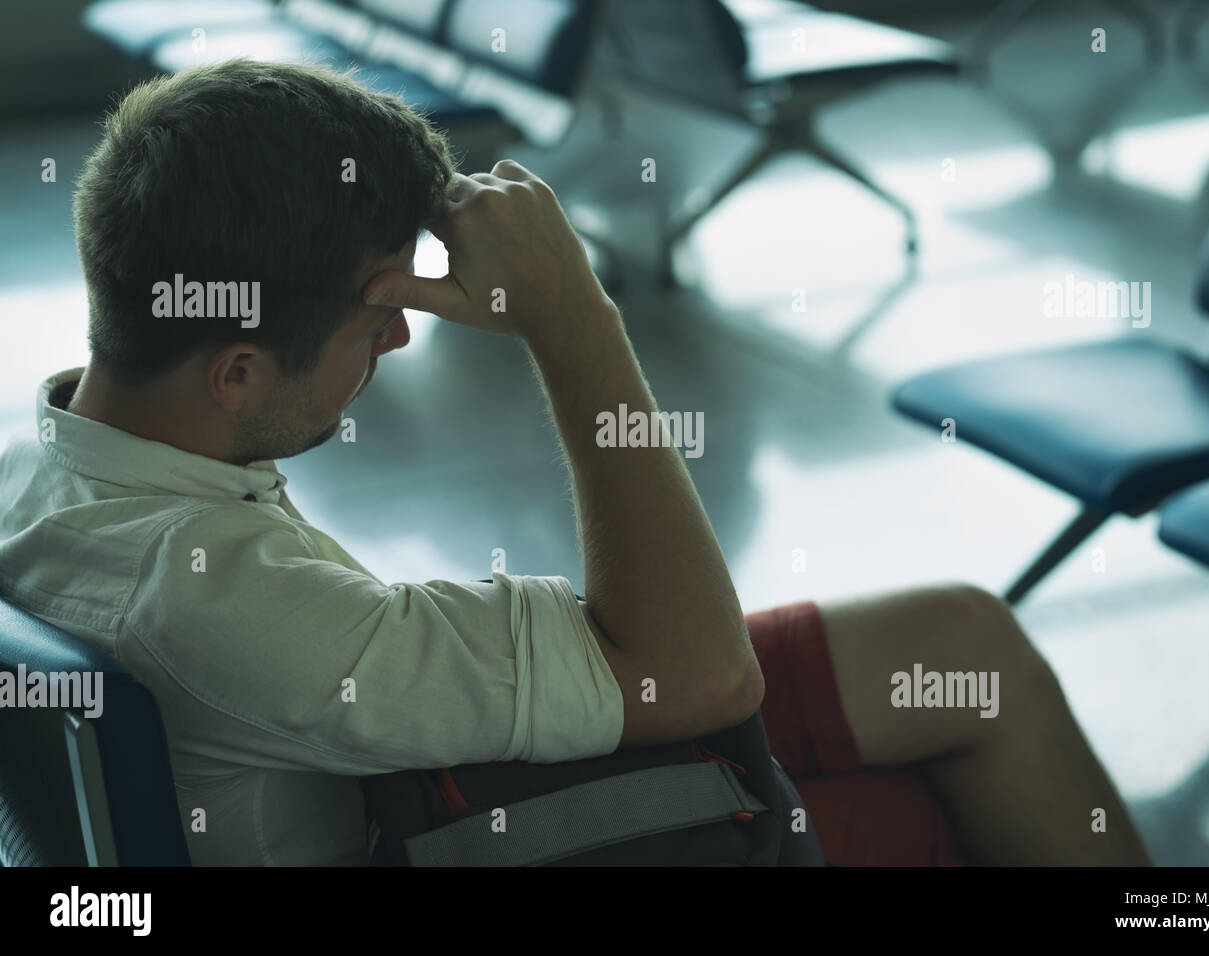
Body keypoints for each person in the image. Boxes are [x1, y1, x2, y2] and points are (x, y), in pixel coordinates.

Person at [0, 59, 1150, 866]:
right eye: (376, 316)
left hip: (389, 764)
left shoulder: (45, 471)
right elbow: (702, 676)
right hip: (426, 822)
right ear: (237, 370)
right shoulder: (234, 601)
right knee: (921, 808)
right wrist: (572, 317)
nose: (402, 337)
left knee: (961, 647)